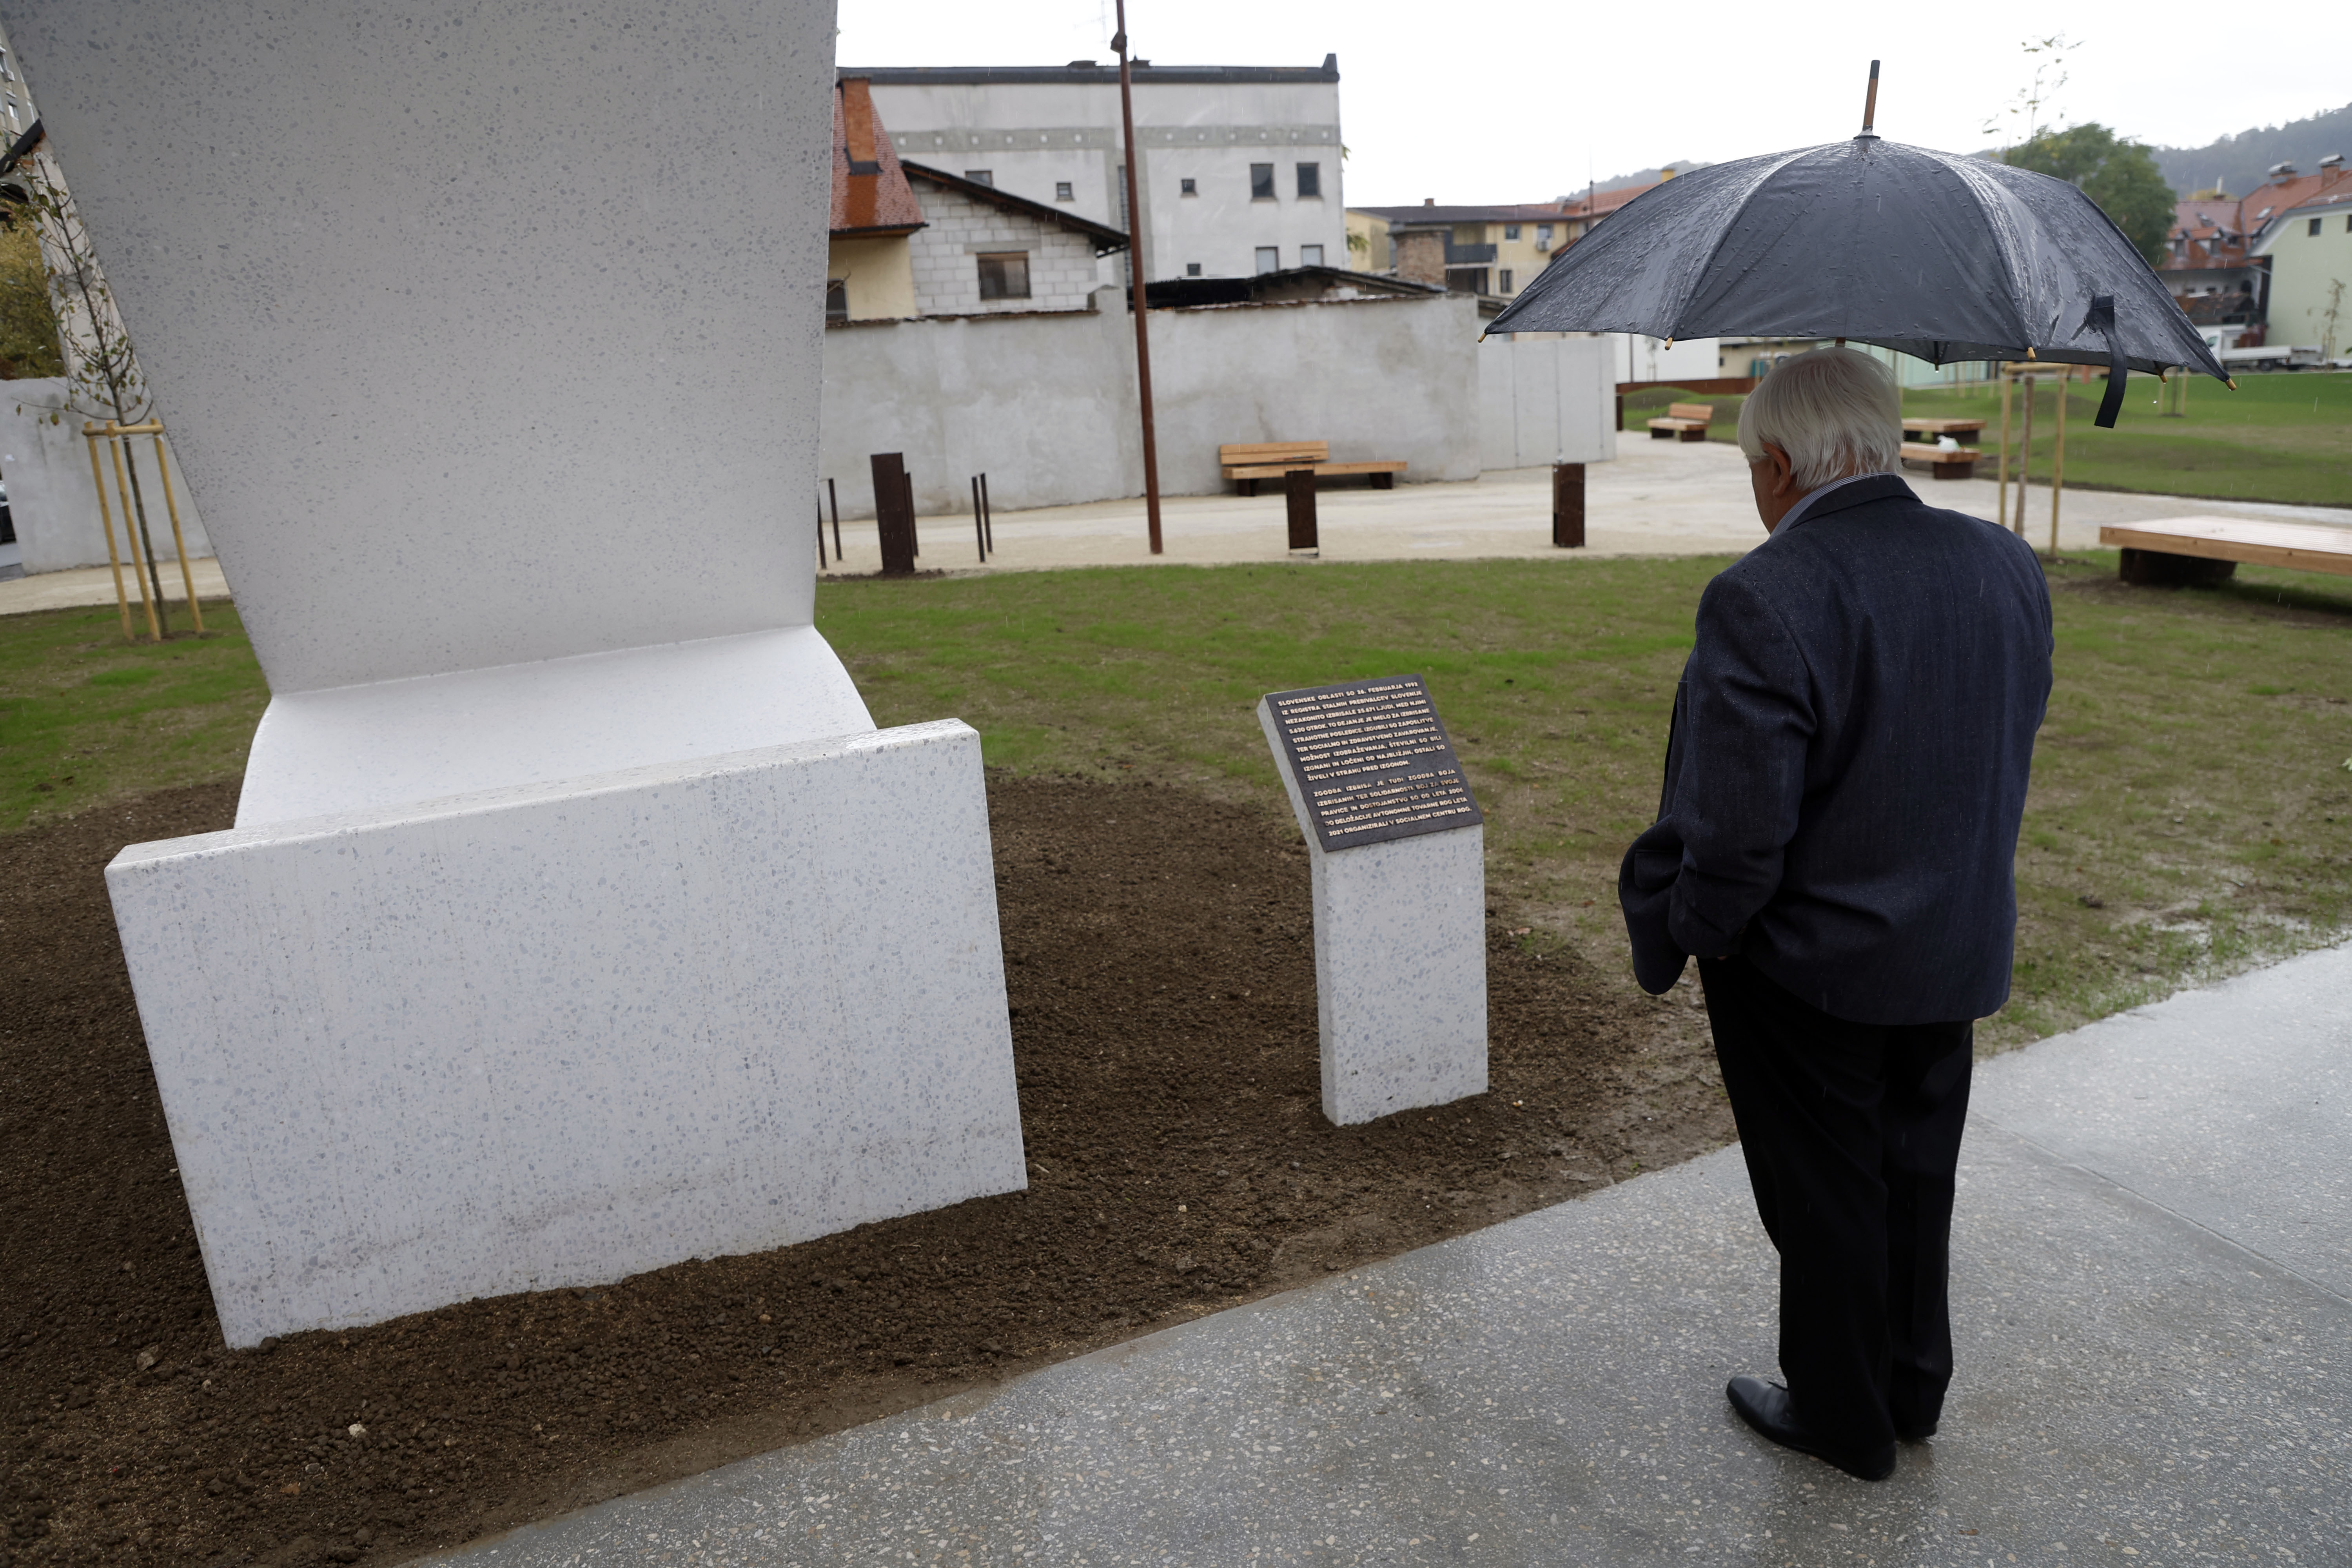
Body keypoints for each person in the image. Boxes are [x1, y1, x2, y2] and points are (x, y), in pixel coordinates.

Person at [1618, 347, 2052, 1482]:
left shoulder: (1768, 591)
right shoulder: (2005, 560)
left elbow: (1737, 827)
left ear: (1776, 464)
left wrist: (1703, 928)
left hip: (1810, 966)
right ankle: (1910, 1388)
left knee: (1825, 1201)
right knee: (1915, 1177)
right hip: (1952, 944)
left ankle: (1844, 1416)